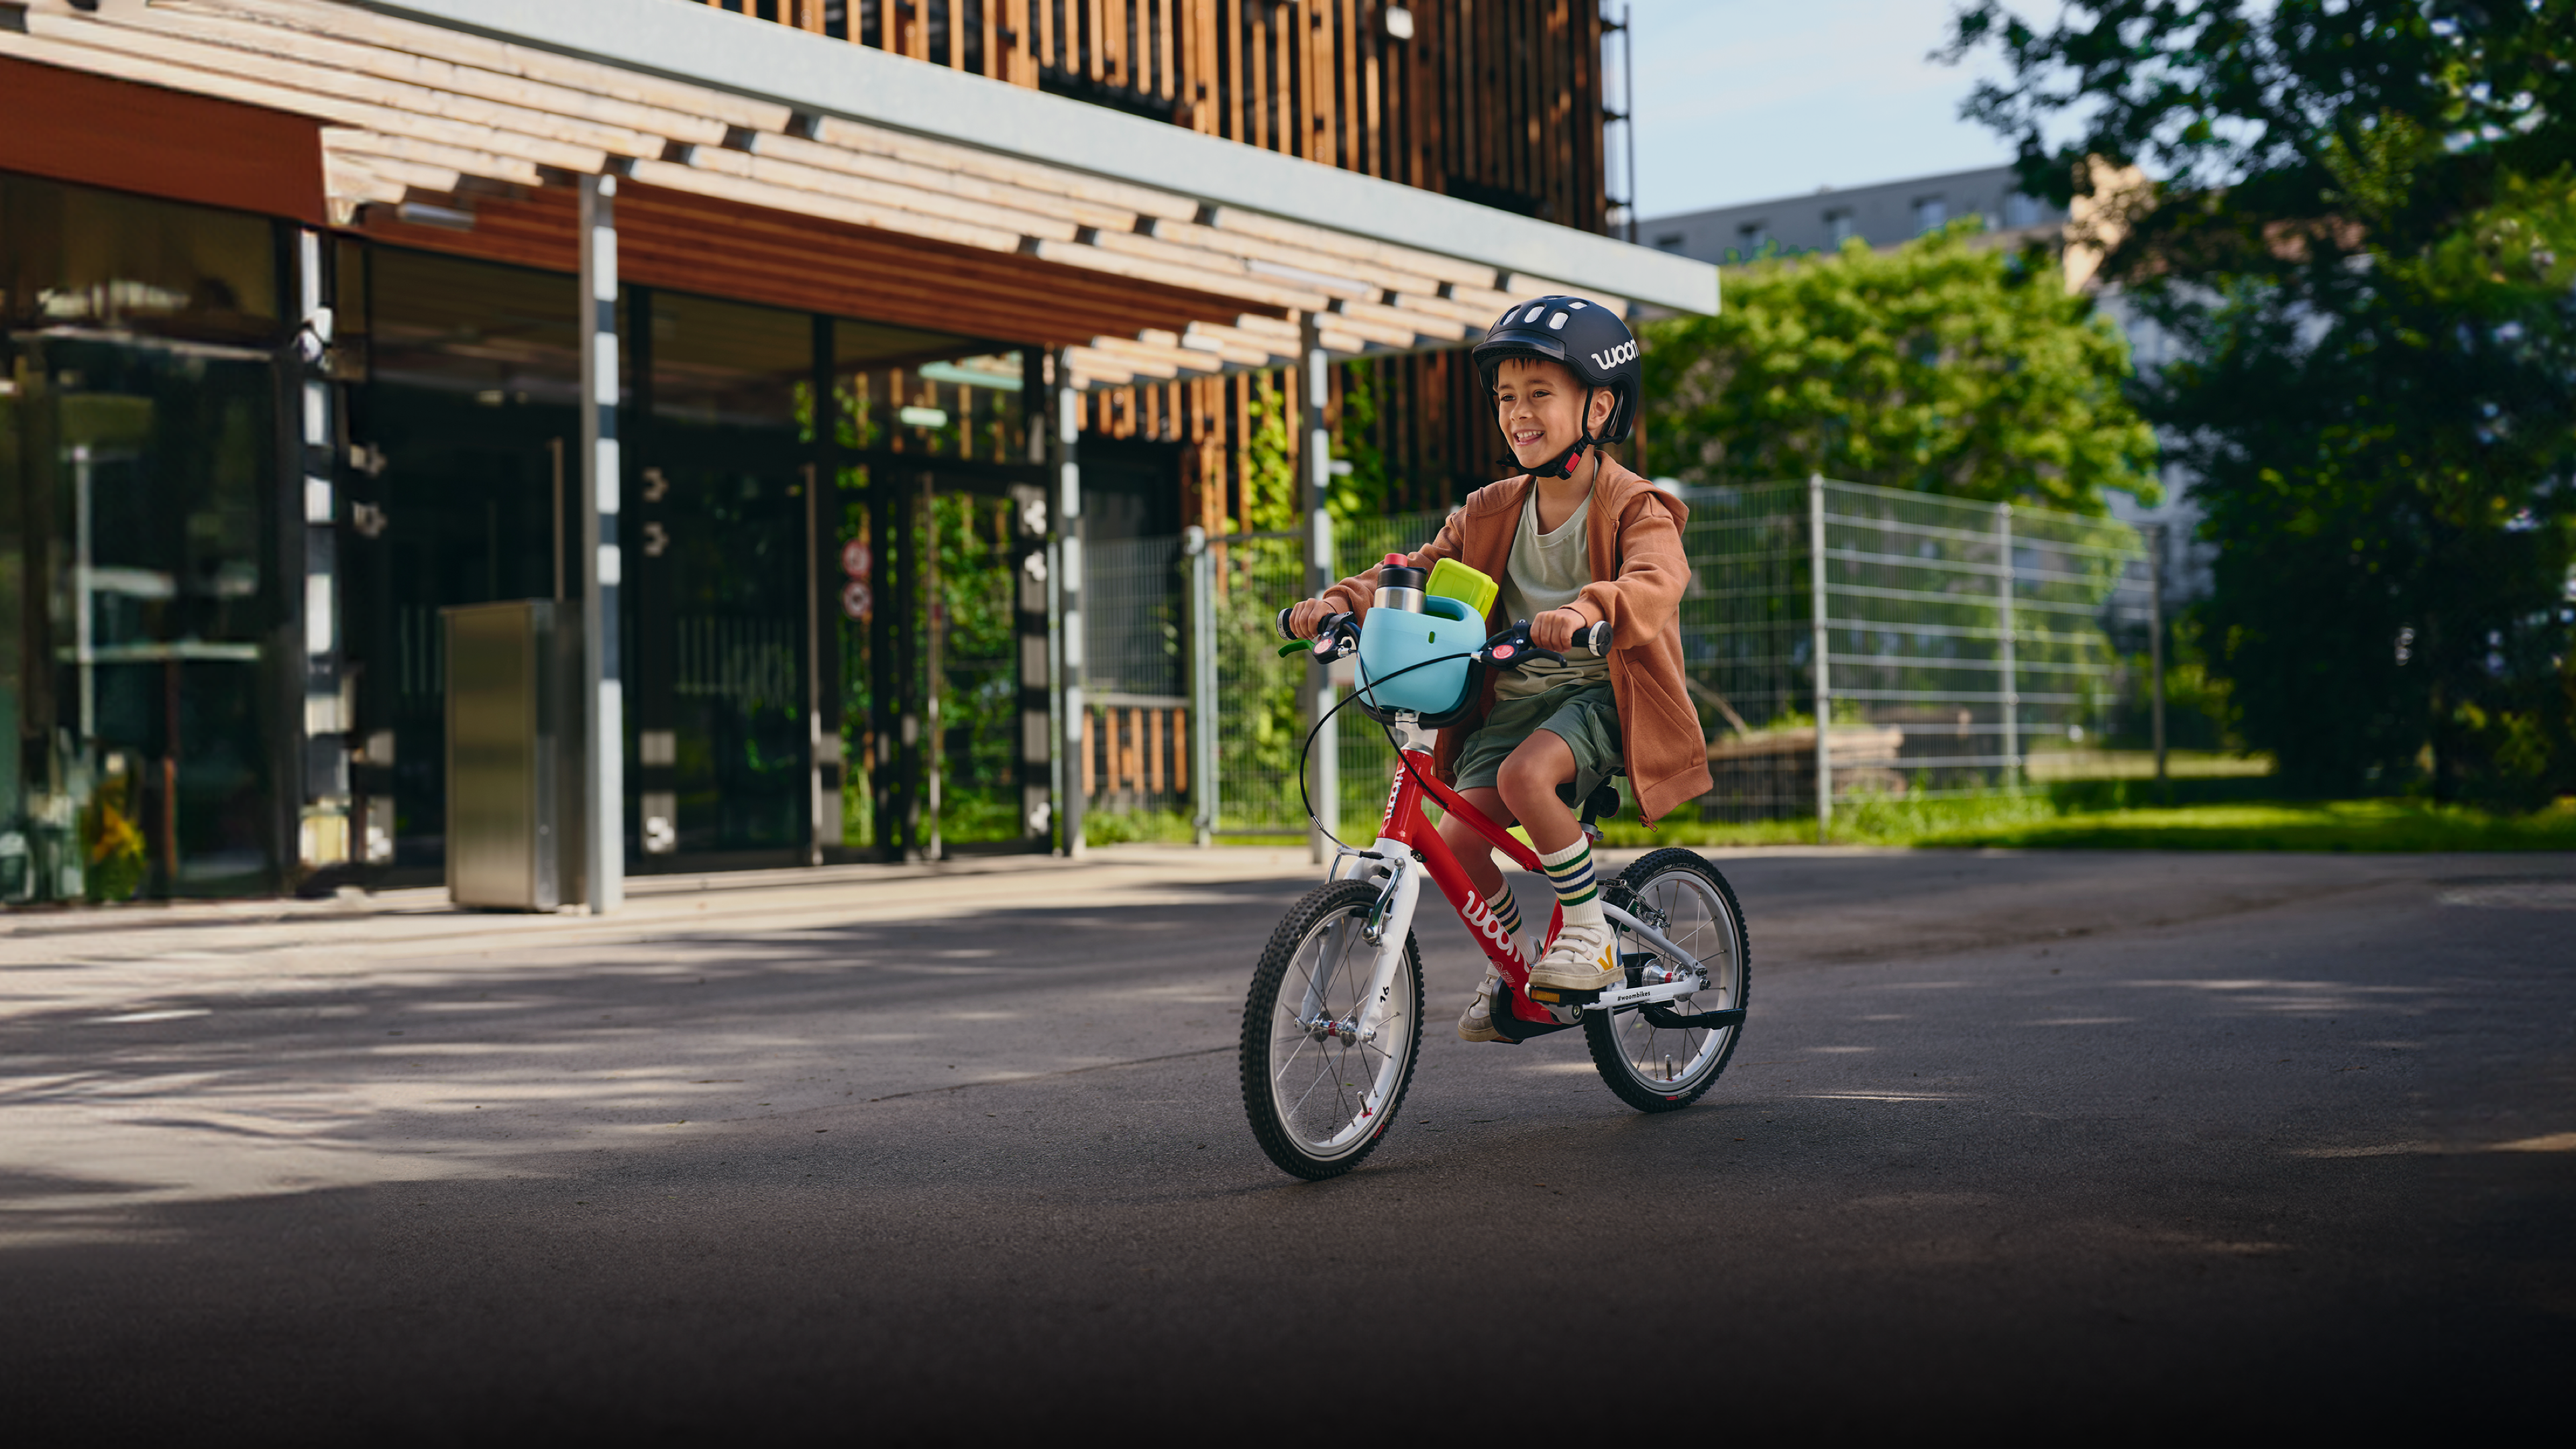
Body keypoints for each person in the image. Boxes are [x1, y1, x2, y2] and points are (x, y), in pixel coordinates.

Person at [1284, 297, 1713, 1042]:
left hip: (1604, 692)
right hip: (1514, 702)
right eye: (1507, 398)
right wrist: (1334, 603)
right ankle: (1514, 963)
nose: (1518, 413)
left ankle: (1589, 934)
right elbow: (1412, 572)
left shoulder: (1635, 505)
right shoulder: (1488, 510)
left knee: (1523, 780)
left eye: (1540, 394)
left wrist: (1587, 610)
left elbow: (1655, 579)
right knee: (1456, 834)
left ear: (1599, 407)